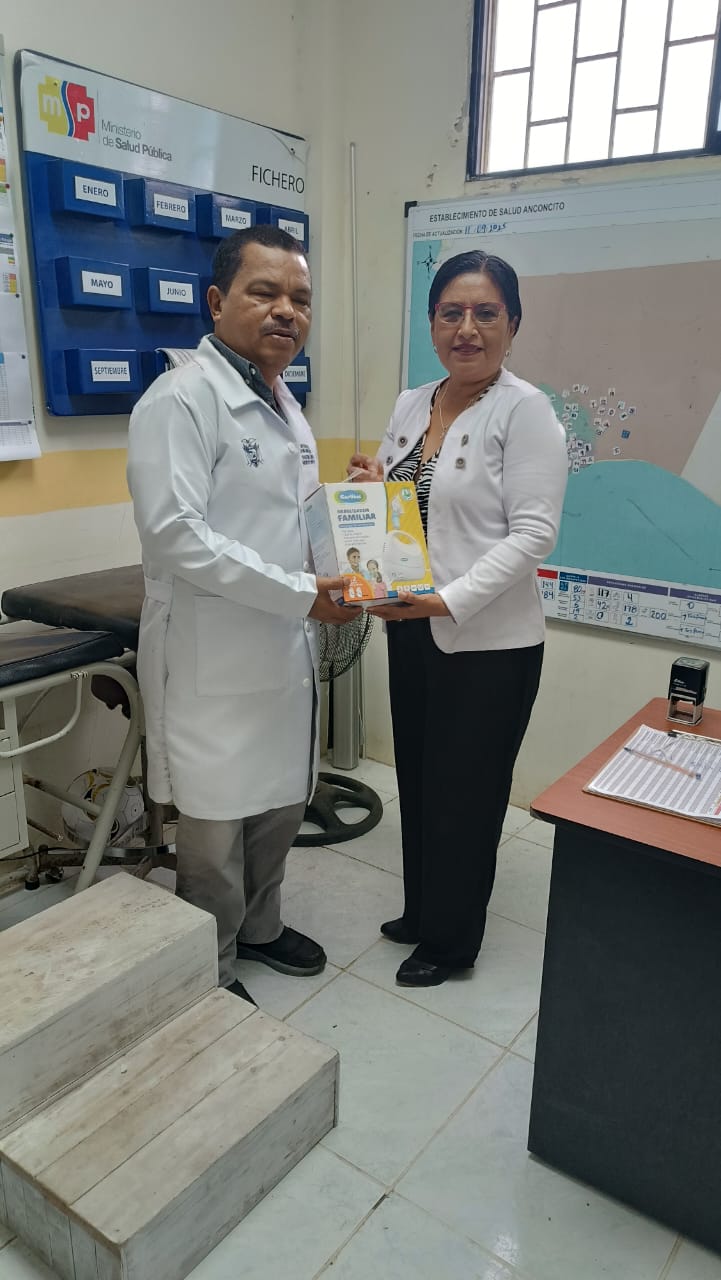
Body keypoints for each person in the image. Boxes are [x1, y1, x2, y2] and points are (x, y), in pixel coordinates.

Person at [128, 225, 358, 1004]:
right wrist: (299, 593)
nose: (286, 311)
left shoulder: (284, 404)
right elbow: (175, 535)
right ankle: (212, 966)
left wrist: (354, 524)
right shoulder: (180, 399)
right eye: (265, 292)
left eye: (300, 299)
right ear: (217, 301)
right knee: (216, 826)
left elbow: (296, 518)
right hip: (213, 650)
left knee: (279, 805)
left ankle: (261, 928)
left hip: (281, 647)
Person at [349, 250, 567, 988]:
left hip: (490, 646)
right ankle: (422, 911)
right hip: (410, 627)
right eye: (451, 313)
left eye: (485, 313)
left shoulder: (525, 411)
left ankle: (450, 942)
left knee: (465, 796)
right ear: (432, 322)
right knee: (418, 779)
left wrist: (447, 599)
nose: (466, 328)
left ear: (512, 324)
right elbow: (405, 508)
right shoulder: (412, 402)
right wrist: (373, 488)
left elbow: (533, 535)